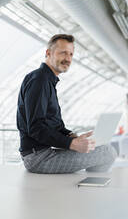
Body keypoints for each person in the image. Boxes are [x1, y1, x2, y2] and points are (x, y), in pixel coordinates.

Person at [17, 34, 117, 174]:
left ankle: (88, 184)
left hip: (45, 151)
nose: (68, 58)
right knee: (107, 152)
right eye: (63, 53)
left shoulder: (47, 80)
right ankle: (91, 187)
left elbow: (53, 125)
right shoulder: (39, 80)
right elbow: (36, 128)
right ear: (48, 53)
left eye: (71, 54)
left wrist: (72, 137)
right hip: (38, 158)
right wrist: (71, 144)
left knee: (98, 147)